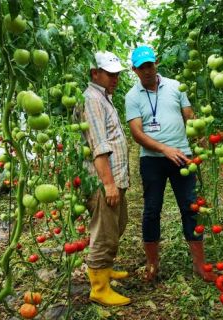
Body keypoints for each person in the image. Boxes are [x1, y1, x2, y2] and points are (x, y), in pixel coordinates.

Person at [125, 45, 216, 283]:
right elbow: (136, 133)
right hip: (152, 160)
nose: (147, 70)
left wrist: (200, 138)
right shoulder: (132, 96)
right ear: (134, 70)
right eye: (142, 67)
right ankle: (152, 264)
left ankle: (200, 264)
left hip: (183, 157)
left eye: (150, 65)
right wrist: (165, 149)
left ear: (156, 64)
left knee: (190, 208)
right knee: (152, 211)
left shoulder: (176, 86)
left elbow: (189, 115)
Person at [75, 51, 131, 306]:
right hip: (102, 180)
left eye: (117, 73)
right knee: (105, 232)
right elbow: (99, 144)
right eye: (110, 73)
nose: (115, 78)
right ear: (94, 74)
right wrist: (108, 184)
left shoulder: (102, 98)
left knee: (118, 223)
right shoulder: (92, 101)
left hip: (113, 177)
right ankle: (98, 287)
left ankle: (104, 270)